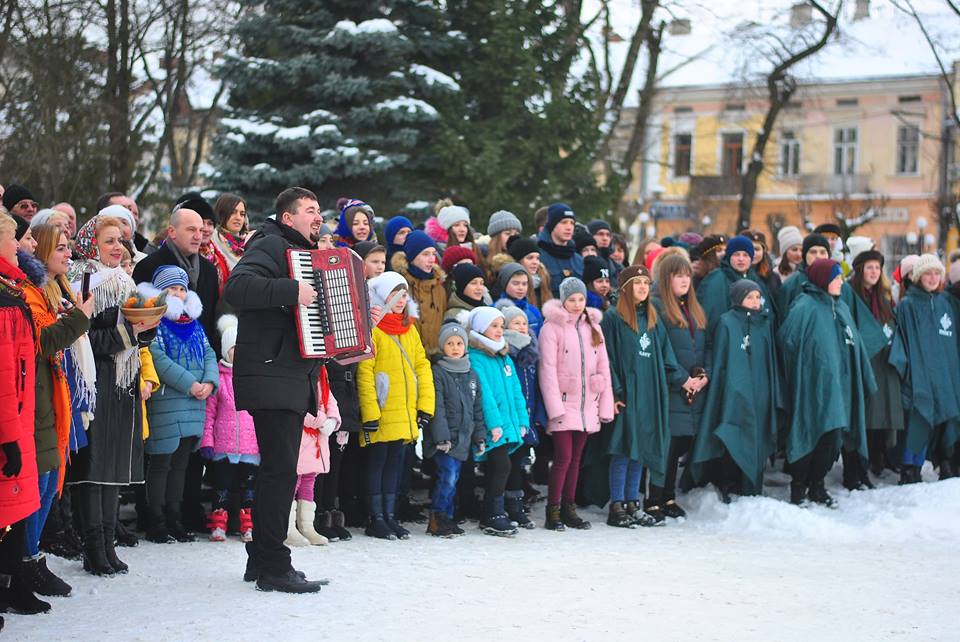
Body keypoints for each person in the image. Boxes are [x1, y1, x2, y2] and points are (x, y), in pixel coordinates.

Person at [221, 186, 327, 593]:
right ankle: (274, 567)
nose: (318, 218)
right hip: (271, 374)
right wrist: (291, 291)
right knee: (279, 472)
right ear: (288, 218)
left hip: (287, 376)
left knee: (277, 472)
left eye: (320, 212)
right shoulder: (269, 244)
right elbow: (238, 289)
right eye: (310, 211)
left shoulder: (302, 255)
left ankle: (262, 558)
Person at [67, 215, 158, 576]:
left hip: (123, 382)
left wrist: (145, 330)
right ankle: (93, 547)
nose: (118, 247)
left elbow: (131, 337)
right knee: (94, 468)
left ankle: (107, 543)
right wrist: (130, 333)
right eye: (109, 241)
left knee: (115, 466)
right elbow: (82, 341)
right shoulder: (83, 282)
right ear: (92, 245)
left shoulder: (123, 281)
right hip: (97, 382)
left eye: (121, 240)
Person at [19, 225, 92, 598]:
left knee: (48, 484)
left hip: (52, 397)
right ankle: (25, 564)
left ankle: (31, 560)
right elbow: (43, 342)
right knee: (39, 485)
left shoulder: (50, 290)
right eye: (59, 247)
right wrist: (79, 318)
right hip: (36, 400)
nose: (68, 254)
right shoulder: (30, 294)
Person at [588, 265, 684, 526]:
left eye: (646, 283)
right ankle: (616, 505)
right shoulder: (613, 318)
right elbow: (606, 359)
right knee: (623, 448)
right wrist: (615, 391)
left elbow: (666, 357)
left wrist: (684, 380)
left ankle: (633, 502)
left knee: (640, 450)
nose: (643, 287)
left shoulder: (652, 318)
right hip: (626, 394)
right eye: (637, 283)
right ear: (626, 287)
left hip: (650, 393)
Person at [778, 259, 876, 507]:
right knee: (810, 433)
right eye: (836, 277)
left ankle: (817, 485)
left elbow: (855, 344)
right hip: (811, 386)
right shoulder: (805, 307)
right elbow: (787, 343)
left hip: (839, 386)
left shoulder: (840, 307)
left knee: (833, 437)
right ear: (823, 280)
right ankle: (799, 488)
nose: (841, 282)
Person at [139, 265, 218, 544]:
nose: (178, 293)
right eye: (172, 288)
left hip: (193, 403)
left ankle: (175, 518)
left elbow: (209, 352)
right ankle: (156, 520)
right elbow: (157, 358)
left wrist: (209, 381)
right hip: (167, 403)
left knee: (182, 465)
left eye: (182, 288)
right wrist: (190, 384)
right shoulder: (155, 321)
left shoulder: (192, 323)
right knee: (161, 463)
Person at [357, 272, 434, 540]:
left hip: (404, 411)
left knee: (395, 464)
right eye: (394, 294)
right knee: (377, 463)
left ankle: (389, 515)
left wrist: (425, 405)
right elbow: (365, 371)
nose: (400, 300)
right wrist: (370, 412)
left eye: (403, 294)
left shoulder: (408, 328)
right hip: (381, 409)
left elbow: (422, 366)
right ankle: (375, 517)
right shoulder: (373, 328)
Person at [689, 280, 782, 502]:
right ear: (738, 299)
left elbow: (770, 361)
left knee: (756, 438)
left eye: (758, 297)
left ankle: (750, 486)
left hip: (760, 392)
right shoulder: (726, 322)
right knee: (732, 435)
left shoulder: (764, 324)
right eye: (749, 297)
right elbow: (721, 359)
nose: (755, 302)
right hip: (733, 392)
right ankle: (728, 483)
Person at [538, 278, 614, 531]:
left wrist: (604, 404)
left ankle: (570, 508)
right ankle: (553, 510)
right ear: (563, 300)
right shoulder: (552, 327)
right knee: (563, 458)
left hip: (587, 404)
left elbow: (603, 364)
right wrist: (554, 407)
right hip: (563, 401)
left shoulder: (593, 326)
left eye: (580, 299)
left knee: (576, 459)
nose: (577, 304)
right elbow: (546, 368)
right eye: (572, 300)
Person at [0, 213, 46, 615]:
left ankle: (13, 583)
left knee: (13, 511)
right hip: (9, 420)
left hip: (19, 415)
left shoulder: (13, 290)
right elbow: (3, 377)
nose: (17, 245)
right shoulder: (6, 301)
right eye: (12, 237)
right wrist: (10, 435)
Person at [889, 255, 960, 483]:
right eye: (928, 273)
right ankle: (910, 468)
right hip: (919, 374)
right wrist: (908, 372)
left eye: (936, 273)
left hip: (943, 375)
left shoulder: (944, 303)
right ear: (919, 276)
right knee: (918, 420)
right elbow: (903, 342)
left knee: (945, 418)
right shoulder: (908, 305)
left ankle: (945, 461)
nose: (932, 278)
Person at [652, 253, 709, 518]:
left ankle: (668, 497)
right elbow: (662, 353)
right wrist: (681, 378)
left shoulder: (693, 308)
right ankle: (655, 498)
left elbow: (703, 347)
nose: (685, 279)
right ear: (666, 278)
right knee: (668, 445)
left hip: (691, 389)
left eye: (688, 274)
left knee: (679, 444)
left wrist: (703, 375)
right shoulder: (658, 308)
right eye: (678, 275)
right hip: (670, 388)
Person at [467, 306, 529, 536]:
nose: (498, 330)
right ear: (481, 329)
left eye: (501, 326)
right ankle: (493, 513)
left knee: (504, 467)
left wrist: (522, 420)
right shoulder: (476, 358)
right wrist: (494, 425)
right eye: (493, 326)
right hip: (492, 426)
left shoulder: (504, 357)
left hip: (508, 424)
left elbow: (516, 392)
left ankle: (493, 512)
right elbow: (485, 397)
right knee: (500, 466)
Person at [133, 203, 220, 359]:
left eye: (200, 230)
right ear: (172, 232)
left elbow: (211, 322)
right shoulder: (149, 266)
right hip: (161, 362)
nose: (198, 236)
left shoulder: (209, 270)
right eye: (191, 230)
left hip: (201, 362)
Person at [424, 323, 486, 537]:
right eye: (450, 343)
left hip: (463, 439)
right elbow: (437, 407)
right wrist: (441, 437)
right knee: (447, 477)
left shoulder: (471, 374)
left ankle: (447, 517)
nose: (455, 347)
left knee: (454, 478)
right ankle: (437, 517)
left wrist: (479, 436)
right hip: (445, 440)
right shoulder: (438, 371)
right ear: (443, 346)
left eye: (459, 343)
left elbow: (477, 409)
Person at [201, 314, 258, 543]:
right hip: (223, 445)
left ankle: (248, 525)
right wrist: (207, 441)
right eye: (234, 348)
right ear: (226, 350)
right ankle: (218, 524)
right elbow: (210, 413)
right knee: (221, 488)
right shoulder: (219, 377)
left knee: (248, 490)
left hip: (250, 447)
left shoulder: (253, 378)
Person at [848, 250, 903, 482]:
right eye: (869, 267)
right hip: (861, 362)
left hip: (882, 363)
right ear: (860, 270)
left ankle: (876, 460)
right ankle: (857, 469)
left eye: (877, 268)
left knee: (879, 414)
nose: (874, 272)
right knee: (861, 415)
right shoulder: (850, 294)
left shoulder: (883, 297)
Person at [497, 303, 545, 526]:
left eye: (524, 323)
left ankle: (515, 504)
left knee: (519, 462)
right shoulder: (504, 351)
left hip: (526, 417)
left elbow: (534, 387)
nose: (522, 327)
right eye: (516, 323)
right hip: (508, 418)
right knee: (506, 464)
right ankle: (503, 505)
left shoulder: (531, 351)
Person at [287, 366, 341, 547]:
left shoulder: (322, 373)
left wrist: (333, 419)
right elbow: (299, 405)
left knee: (309, 480)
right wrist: (321, 421)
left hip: (317, 438)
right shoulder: (300, 372)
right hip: (301, 435)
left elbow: (330, 398)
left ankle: (307, 526)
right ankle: (288, 528)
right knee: (294, 480)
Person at [697, 235, 773, 338]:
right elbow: (708, 316)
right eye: (736, 255)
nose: (741, 259)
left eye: (745, 255)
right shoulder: (716, 279)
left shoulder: (756, 280)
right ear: (729, 256)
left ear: (751, 258)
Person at [391, 229, 446, 355]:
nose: (432, 259)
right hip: (409, 358)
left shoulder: (439, 288)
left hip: (436, 359)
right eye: (425, 254)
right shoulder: (400, 287)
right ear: (412, 257)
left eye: (433, 254)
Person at [537, 203, 584, 297]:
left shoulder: (579, 259)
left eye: (572, 223)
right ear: (552, 225)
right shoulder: (537, 256)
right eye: (564, 222)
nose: (569, 227)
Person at [495, 262, 544, 336]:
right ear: (504, 284)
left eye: (524, 284)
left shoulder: (533, 312)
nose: (521, 288)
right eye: (515, 283)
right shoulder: (495, 311)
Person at [210, 193, 248, 273]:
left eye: (242, 214)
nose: (238, 218)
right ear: (221, 214)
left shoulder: (248, 243)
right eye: (233, 212)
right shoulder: (211, 239)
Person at [587, 219, 622, 289]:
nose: (605, 238)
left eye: (608, 235)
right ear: (590, 235)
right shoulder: (583, 262)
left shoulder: (617, 267)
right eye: (600, 234)